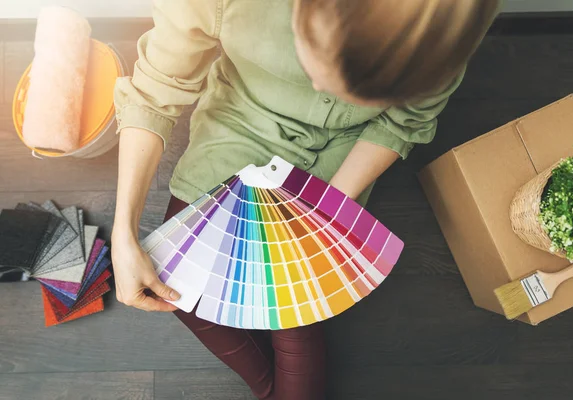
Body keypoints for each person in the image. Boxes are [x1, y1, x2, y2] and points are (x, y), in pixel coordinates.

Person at [111, 1, 500, 399]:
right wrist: (123, 233)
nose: (321, 90)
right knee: (179, 277)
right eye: (318, 68)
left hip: (352, 147)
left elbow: (403, 122)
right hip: (244, 119)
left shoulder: (447, 19)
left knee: (294, 309)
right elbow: (153, 91)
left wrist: (322, 213)